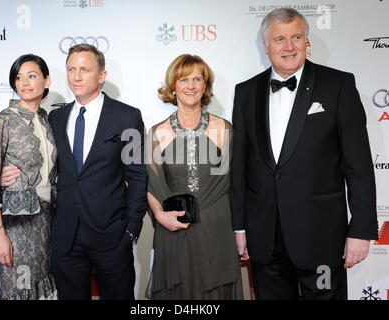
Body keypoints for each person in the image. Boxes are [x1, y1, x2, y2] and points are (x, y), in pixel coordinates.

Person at [230, 8, 378, 300]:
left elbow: (358, 165)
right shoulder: (246, 92)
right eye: (280, 39)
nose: (289, 47)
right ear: (266, 46)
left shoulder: (338, 85)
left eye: (296, 37)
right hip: (265, 238)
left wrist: (360, 229)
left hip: (321, 239)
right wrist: (239, 227)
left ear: (306, 41)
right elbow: (240, 166)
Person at [1, 44, 148, 300]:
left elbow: (137, 175)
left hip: (111, 235)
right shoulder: (55, 119)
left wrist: (132, 228)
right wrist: (9, 175)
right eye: (71, 69)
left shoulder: (127, 117)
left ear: (101, 75)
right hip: (65, 236)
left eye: (84, 69)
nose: (76, 76)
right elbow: (42, 163)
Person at [146, 54, 243, 299]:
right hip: (174, 228)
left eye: (197, 79)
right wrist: (160, 215)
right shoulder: (157, 133)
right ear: (173, 86)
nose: (191, 86)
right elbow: (152, 185)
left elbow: (236, 183)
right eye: (184, 79)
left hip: (216, 228)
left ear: (205, 86)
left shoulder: (225, 129)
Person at [0, 54, 57, 300]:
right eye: (18, 77)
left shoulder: (49, 121)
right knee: (18, 288)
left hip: (47, 222)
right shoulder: (1, 121)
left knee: (42, 287)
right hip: (17, 225)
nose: (24, 82)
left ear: (46, 81)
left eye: (32, 76)